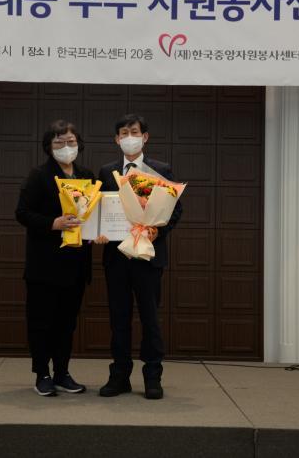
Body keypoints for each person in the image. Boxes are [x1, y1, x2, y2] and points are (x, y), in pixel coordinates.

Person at [95, 113, 182, 399]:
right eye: (124, 133)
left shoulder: (160, 169)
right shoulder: (107, 171)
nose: (129, 137)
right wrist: (98, 230)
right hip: (116, 258)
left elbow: (175, 210)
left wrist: (158, 230)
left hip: (148, 257)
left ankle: (153, 376)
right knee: (118, 319)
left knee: (150, 319)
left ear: (145, 137)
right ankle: (119, 376)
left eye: (134, 132)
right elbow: (99, 209)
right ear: (116, 139)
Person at [15, 119, 101, 396]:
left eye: (70, 141)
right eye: (59, 142)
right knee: (41, 322)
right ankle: (42, 374)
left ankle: (62, 373)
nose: (66, 146)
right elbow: (22, 213)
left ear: (79, 144)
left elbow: (92, 214)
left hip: (75, 264)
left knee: (67, 323)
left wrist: (97, 232)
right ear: (49, 147)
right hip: (45, 264)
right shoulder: (39, 175)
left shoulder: (87, 175)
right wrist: (53, 223)